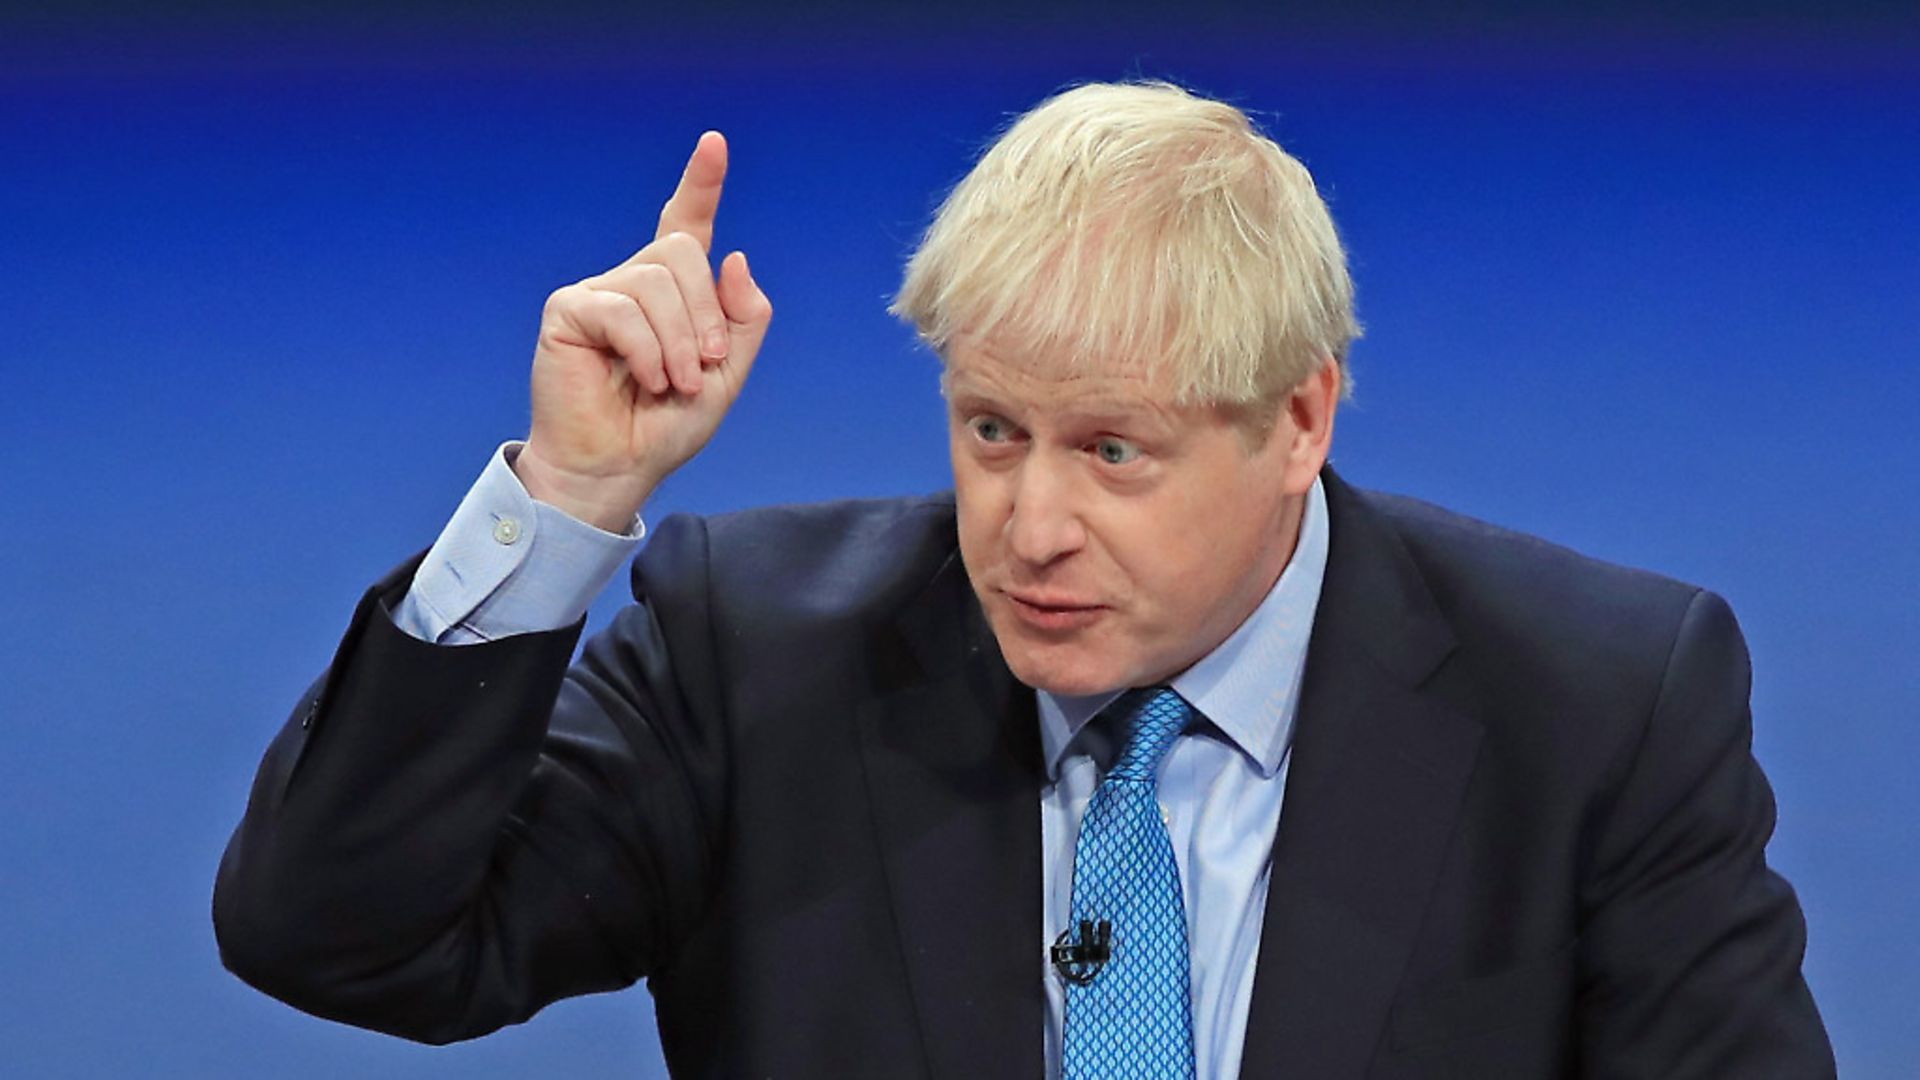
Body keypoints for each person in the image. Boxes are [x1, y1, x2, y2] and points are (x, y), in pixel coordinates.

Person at [214, 81, 1834, 1078]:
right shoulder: (756, 654)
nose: (1028, 524)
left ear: (1299, 421)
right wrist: (568, 496)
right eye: (992, 430)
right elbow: (341, 941)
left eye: (1112, 452)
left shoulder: (1598, 704)